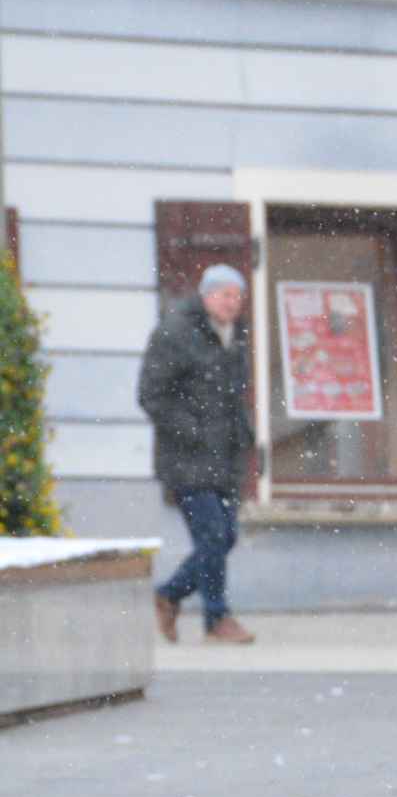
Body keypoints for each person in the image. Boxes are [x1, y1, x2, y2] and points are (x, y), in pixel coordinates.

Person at [138, 261, 257, 644]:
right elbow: (152, 394)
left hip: (224, 457)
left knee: (225, 538)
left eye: (238, 296)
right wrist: (193, 431)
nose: (232, 303)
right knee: (212, 537)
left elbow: (233, 394)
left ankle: (170, 594)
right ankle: (217, 619)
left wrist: (242, 434)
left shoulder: (233, 334)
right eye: (225, 295)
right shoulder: (175, 333)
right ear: (206, 295)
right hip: (186, 458)